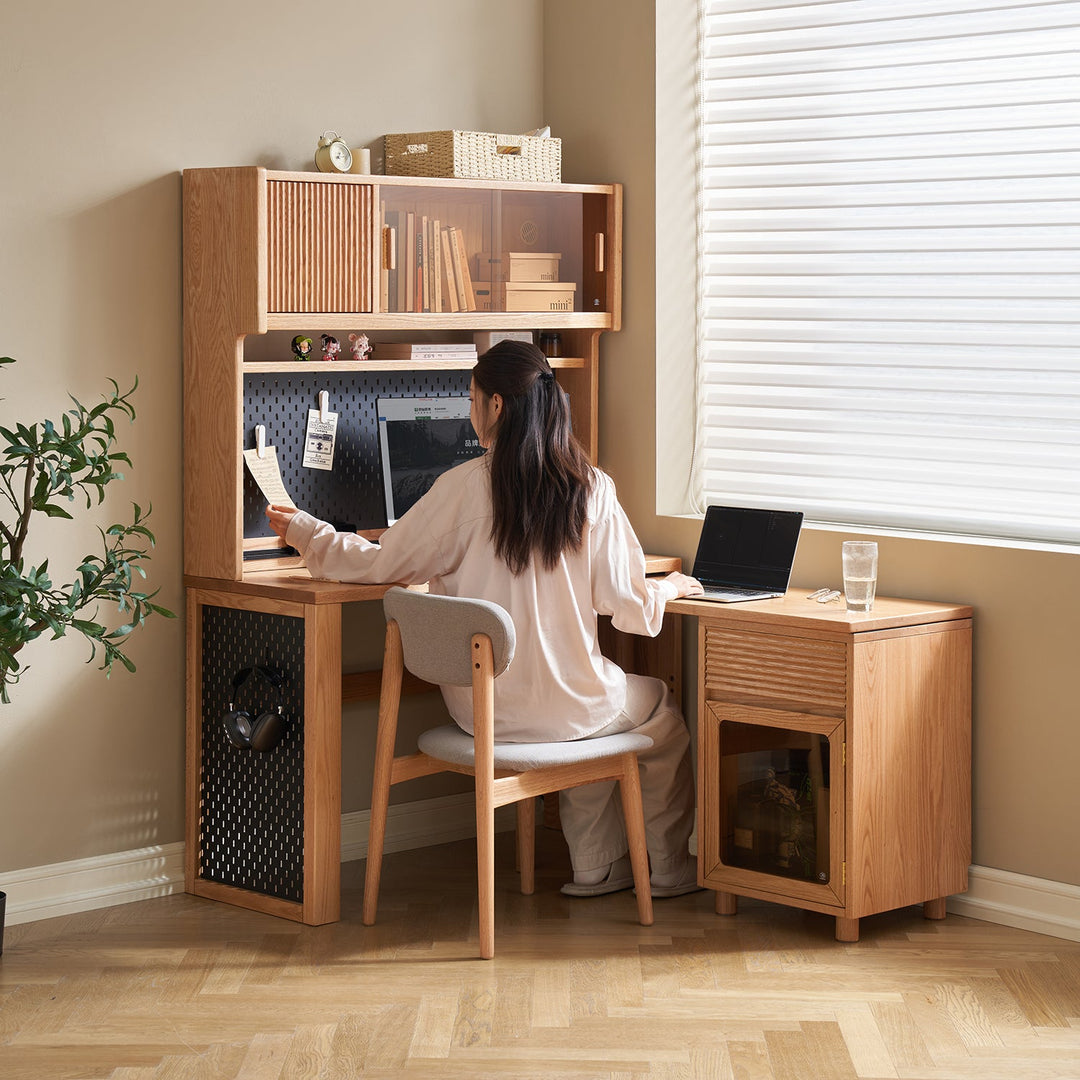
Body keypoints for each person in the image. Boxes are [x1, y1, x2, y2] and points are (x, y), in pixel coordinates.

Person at [266, 340, 704, 897]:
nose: (470, 410)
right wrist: (665, 589)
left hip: (483, 712)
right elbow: (629, 611)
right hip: (572, 708)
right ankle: (666, 869)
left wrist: (306, 529)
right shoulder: (591, 488)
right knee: (656, 712)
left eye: (472, 398)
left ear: (496, 406)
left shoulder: (459, 489)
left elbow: (380, 564)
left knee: (589, 717)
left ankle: (598, 866)